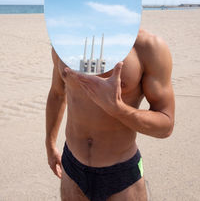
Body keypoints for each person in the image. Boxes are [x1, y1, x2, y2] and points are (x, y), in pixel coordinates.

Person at [45, 29, 175, 201]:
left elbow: (165, 125)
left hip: (121, 175)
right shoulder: (64, 41)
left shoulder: (148, 47)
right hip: (72, 166)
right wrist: (50, 144)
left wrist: (118, 109)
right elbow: (57, 94)